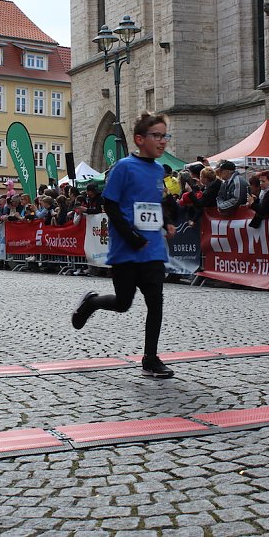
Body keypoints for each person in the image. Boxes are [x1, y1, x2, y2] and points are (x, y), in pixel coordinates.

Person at [70, 112, 177, 378]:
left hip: (151, 249)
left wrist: (168, 222)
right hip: (126, 249)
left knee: (156, 302)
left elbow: (155, 203)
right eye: (157, 136)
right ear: (140, 139)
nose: (163, 141)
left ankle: (150, 359)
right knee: (123, 303)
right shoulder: (124, 167)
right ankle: (92, 302)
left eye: (165, 136)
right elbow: (110, 204)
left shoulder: (157, 170)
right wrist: (130, 235)